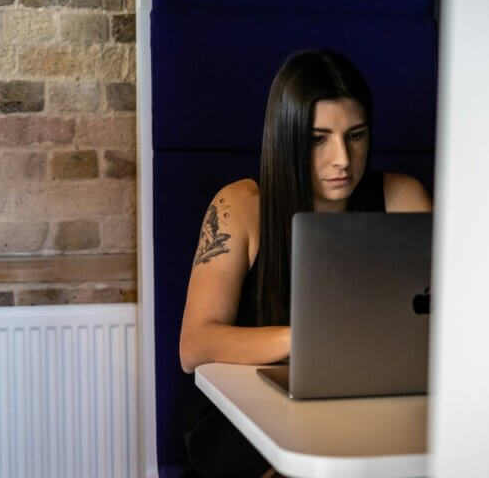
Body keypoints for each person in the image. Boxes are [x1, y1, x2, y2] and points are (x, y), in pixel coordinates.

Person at [179, 49, 432, 477]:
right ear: (287, 138)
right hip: (247, 418)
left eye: (356, 135)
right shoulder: (239, 206)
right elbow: (193, 346)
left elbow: (448, 320)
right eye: (318, 139)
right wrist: (306, 340)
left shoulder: (402, 197)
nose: (342, 158)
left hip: (369, 405)